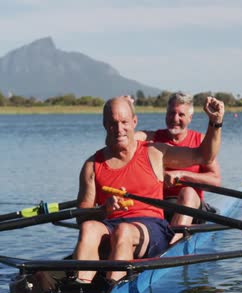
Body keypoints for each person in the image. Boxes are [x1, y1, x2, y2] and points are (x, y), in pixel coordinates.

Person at [73, 95, 225, 283]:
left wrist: (215, 122)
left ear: (134, 122)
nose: (119, 129)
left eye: (124, 122)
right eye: (113, 123)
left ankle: (110, 288)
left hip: (152, 228)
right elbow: (81, 216)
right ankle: (79, 286)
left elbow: (204, 156)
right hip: (110, 225)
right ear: (105, 125)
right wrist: (104, 209)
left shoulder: (155, 151)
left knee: (124, 231)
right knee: (88, 227)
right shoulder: (92, 165)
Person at [135, 92, 221, 243]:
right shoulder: (151, 138)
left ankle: (172, 243)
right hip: (159, 207)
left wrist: (182, 175)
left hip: (192, 208)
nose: (175, 119)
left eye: (181, 114)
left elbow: (215, 180)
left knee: (187, 191)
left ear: (190, 118)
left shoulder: (201, 142)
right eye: (171, 113)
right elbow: (129, 139)